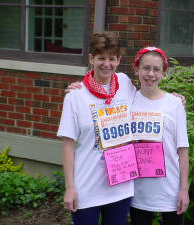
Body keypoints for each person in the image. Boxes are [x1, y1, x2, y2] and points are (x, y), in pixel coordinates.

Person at [57, 32, 136, 225]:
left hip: (121, 186)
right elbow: (68, 144)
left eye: (112, 58)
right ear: (91, 59)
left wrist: (174, 99)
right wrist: (70, 188)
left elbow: (148, 102)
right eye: (101, 58)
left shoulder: (124, 83)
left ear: (118, 60)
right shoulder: (75, 96)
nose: (106, 64)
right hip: (88, 188)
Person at [129, 47, 189, 225]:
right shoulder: (127, 101)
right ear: (136, 69)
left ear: (164, 73)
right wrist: (78, 87)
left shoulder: (175, 104)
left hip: (169, 190)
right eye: (146, 68)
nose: (150, 74)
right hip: (137, 191)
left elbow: (183, 151)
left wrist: (184, 189)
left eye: (156, 69)